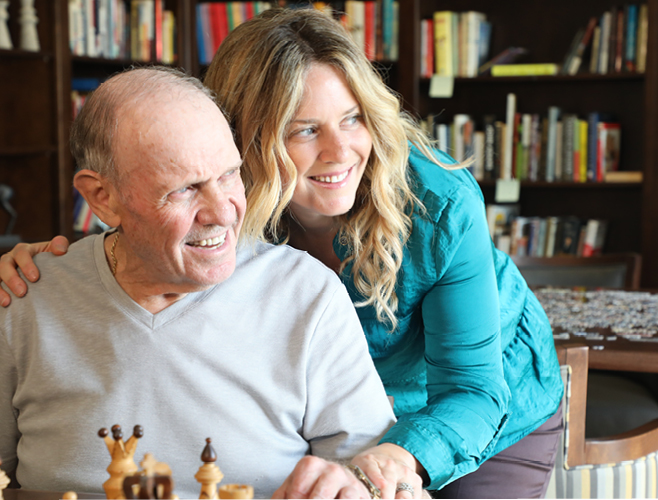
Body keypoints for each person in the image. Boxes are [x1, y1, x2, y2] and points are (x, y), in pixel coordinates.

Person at [1, 8, 564, 499]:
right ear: (245, 139)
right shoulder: (229, 194)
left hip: (478, 400)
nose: (342, 151)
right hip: (355, 414)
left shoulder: (435, 201)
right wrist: (44, 267)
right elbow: (144, 210)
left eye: (353, 118)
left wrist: (386, 459)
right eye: (304, 130)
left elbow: (471, 390)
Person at [0, 66, 400, 500]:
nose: (223, 212)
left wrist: (360, 485)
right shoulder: (22, 295)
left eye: (230, 174)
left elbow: (372, 479)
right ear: (102, 197)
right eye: (185, 189)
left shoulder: (307, 295)